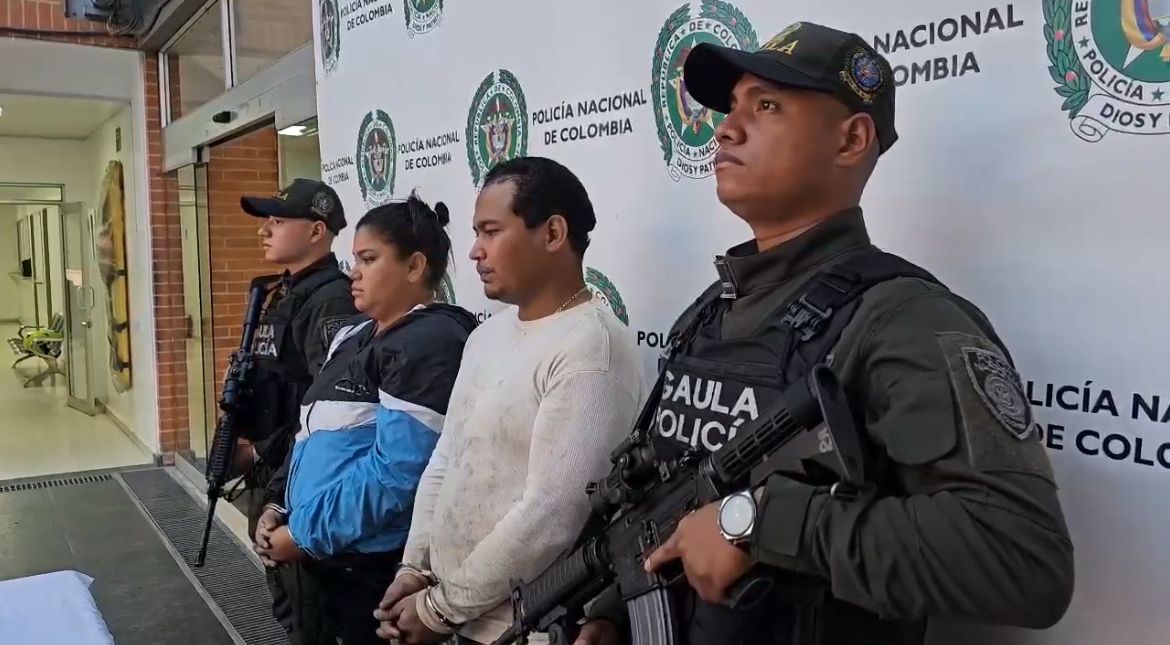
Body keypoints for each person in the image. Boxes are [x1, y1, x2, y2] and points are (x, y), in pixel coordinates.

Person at [573, 21, 1075, 645]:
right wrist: (615, 616)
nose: (726, 128)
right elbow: (664, 507)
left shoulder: (903, 318)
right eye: (731, 107)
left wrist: (754, 522)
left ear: (850, 140)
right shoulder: (707, 314)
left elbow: (1023, 559)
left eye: (767, 106)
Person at [373, 157, 647, 644]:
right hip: (450, 613)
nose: (475, 251)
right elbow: (446, 459)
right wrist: (415, 569)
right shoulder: (486, 336)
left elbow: (552, 514)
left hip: (528, 628)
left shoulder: (591, 348)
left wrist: (439, 609)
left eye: (491, 231)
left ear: (553, 233)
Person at [254, 192, 478, 645]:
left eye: (369, 259)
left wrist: (302, 533)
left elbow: (397, 473)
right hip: (322, 558)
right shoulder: (355, 334)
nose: (352, 273)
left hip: (369, 568)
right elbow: (311, 431)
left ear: (415, 267)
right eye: (354, 258)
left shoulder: (428, 342)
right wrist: (280, 502)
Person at [234, 177, 358, 644]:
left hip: (300, 483)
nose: (264, 231)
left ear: (316, 230)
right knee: (287, 607)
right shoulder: (283, 293)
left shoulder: (332, 302)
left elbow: (329, 410)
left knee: (312, 621)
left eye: (278, 221)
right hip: (272, 473)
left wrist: (284, 487)